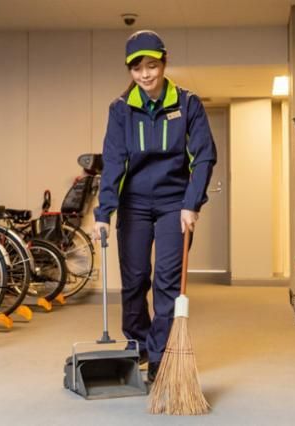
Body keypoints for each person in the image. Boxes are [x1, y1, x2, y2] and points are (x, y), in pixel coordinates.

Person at [92, 30, 217, 383]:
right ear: (130, 71)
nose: (145, 74)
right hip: (133, 204)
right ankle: (140, 344)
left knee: (167, 281)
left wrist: (192, 203)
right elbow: (113, 161)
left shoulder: (188, 103)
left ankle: (161, 356)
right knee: (134, 281)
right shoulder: (121, 108)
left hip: (174, 204)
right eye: (137, 68)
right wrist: (104, 212)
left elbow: (204, 156)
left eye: (151, 65)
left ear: (163, 63)